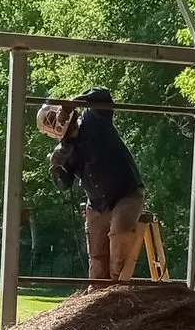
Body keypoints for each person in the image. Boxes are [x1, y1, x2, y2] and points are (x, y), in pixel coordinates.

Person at [36, 86, 145, 281]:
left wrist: (74, 102)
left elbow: (103, 94)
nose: (57, 123)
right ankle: (97, 296)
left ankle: (115, 294)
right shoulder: (65, 149)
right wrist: (55, 168)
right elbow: (64, 185)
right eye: (51, 123)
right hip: (96, 205)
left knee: (119, 239)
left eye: (54, 117)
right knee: (96, 260)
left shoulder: (94, 118)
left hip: (126, 194)